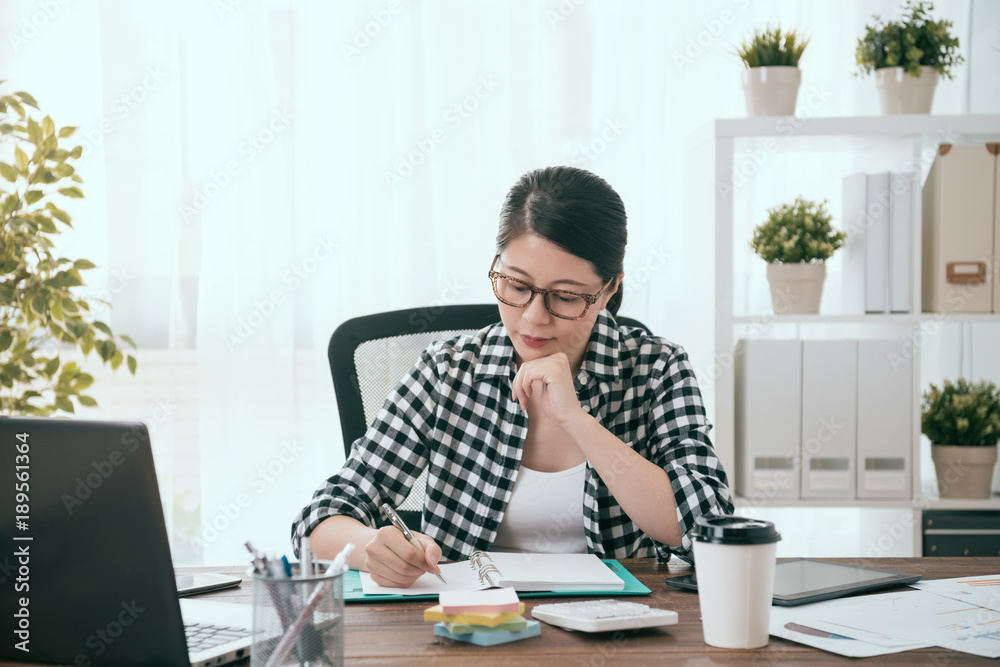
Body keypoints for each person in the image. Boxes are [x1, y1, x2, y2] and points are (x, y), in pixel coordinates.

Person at [292, 166, 733, 588]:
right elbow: (320, 518)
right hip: (472, 627)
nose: (533, 318)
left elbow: (709, 527)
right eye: (517, 286)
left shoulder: (657, 369)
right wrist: (374, 548)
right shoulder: (449, 371)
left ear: (609, 290)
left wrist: (577, 420)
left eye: (564, 296)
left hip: (617, 631)